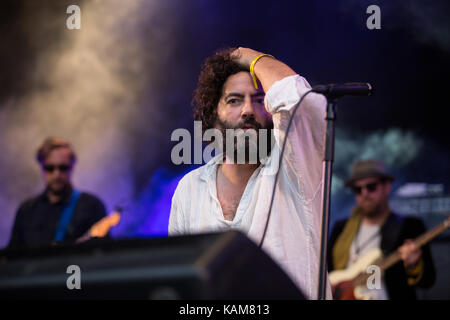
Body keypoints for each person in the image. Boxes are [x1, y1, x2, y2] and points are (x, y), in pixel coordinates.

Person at [169, 47, 331, 299]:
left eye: (259, 99)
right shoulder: (189, 188)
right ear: (214, 115)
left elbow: (302, 102)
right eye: (234, 100)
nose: (247, 110)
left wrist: (252, 58)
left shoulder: (296, 168)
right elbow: (179, 282)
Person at [327, 159, 435, 299]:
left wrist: (414, 265)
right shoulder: (340, 228)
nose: (364, 193)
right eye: (358, 189)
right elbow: (326, 271)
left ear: (387, 187)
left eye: (371, 187)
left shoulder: (409, 227)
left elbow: (428, 281)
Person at [8, 137, 107, 248]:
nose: (57, 175)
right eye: (50, 168)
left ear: (72, 166)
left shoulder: (92, 206)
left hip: (75, 266)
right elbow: (13, 256)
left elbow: (102, 255)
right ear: (41, 167)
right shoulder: (26, 210)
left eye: (63, 168)